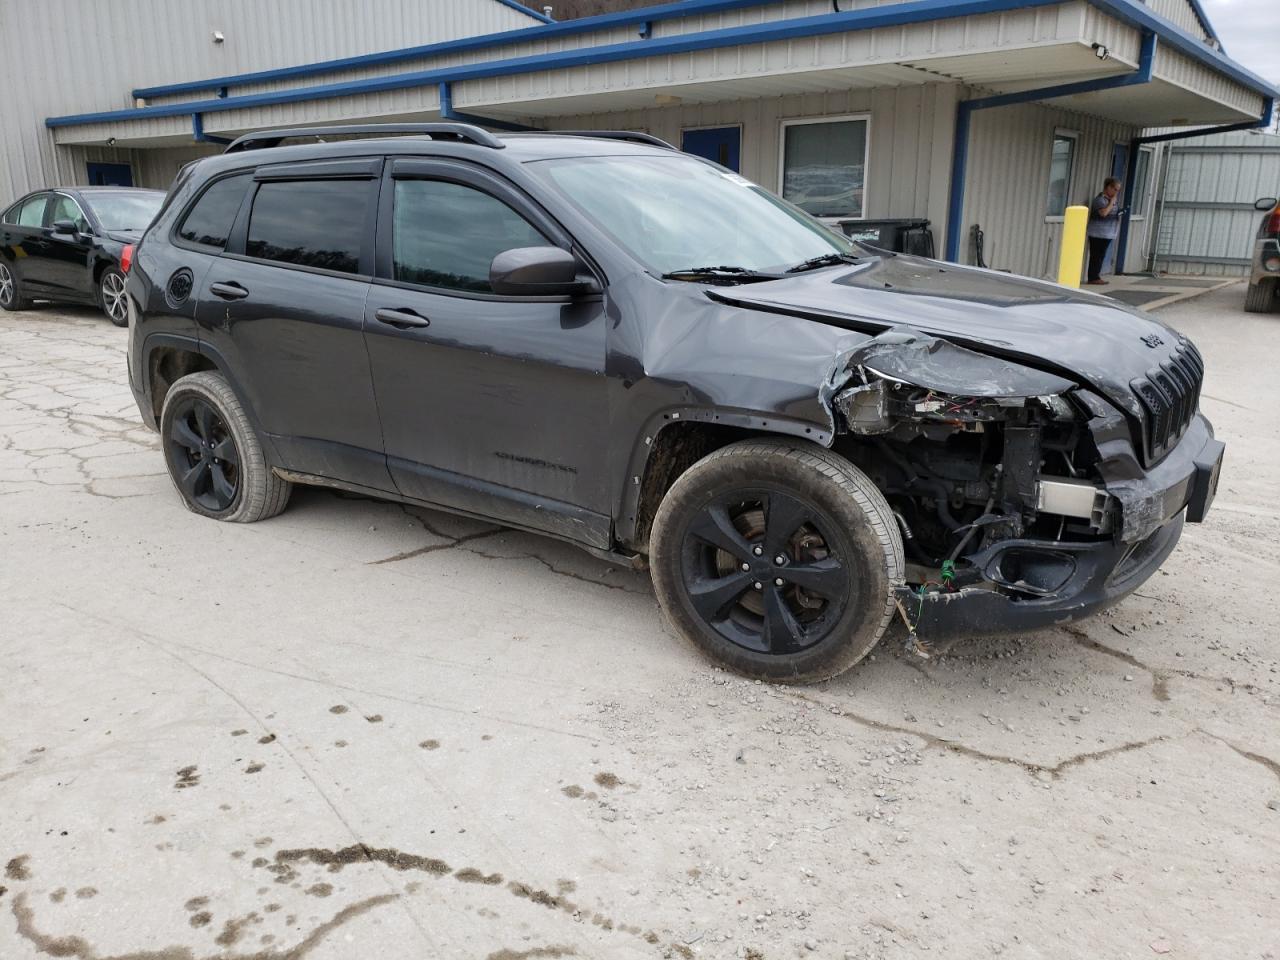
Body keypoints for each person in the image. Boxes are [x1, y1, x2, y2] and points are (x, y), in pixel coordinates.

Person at [1085, 177, 1123, 285]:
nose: (1116, 192)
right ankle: (1093, 277)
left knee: (1101, 255)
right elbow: (1103, 213)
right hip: (1098, 233)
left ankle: (1096, 275)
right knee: (1096, 255)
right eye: (1115, 189)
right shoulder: (1100, 200)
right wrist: (1111, 203)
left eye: (1118, 190)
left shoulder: (1111, 201)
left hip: (1108, 232)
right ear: (1108, 187)